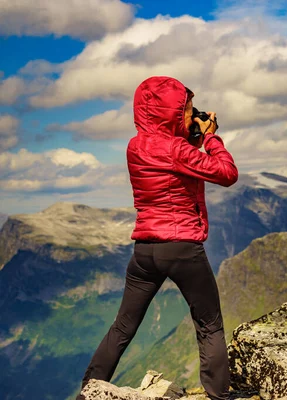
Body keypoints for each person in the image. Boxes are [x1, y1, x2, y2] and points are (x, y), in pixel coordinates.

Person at [77, 76, 238, 400]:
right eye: (188, 111)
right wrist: (212, 139)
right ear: (172, 114)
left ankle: (89, 392)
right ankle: (219, 396)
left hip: (145, 251)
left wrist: (191, 135)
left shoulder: (135, 146)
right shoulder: (178, 148)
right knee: (209, 326)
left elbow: (169, 161)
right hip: (181, 248)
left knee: (122, 327)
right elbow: (226, 174)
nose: (193, 117)